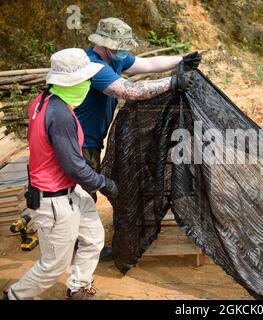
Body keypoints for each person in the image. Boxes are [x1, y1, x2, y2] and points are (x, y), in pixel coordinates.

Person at [75, 17, 200, 261]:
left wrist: (181, 59)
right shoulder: (94, 66)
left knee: (84, 193)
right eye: (119, 46)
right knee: (83, 196)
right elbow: (128, 91)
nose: (123, 51)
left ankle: (81, 241)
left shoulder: (114, 59)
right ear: (107, 45)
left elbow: (149, 63)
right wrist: (173, 82)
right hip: (79, 142)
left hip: (90, 139)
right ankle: (85, 248)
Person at [2, 48, 119, 300]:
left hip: (67, 190)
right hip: (54, 200)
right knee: (53, 265)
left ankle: (78, 286)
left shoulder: (42, 101)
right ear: (72, 82)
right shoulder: (61, 115)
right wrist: (105, 183)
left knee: (93, 238)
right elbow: (74, 167)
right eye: (86, 79)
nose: (89, 84)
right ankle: (14, 295)